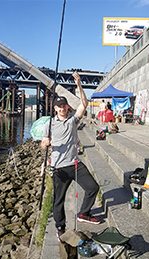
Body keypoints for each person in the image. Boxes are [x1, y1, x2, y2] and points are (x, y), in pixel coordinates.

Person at [41, 72, 101, 241]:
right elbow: (43, 142)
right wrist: (46, 143)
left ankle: (84, 213)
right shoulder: (49, 123)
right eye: (59, 106)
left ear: (68, 107)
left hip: (75, 164)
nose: (62, 108)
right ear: (55, 109)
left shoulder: (73, 120)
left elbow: (84, 103)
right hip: (58, 167)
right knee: (58, 200)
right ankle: (60, 227)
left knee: (92, 188)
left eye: (64, 106)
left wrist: (79, 84)